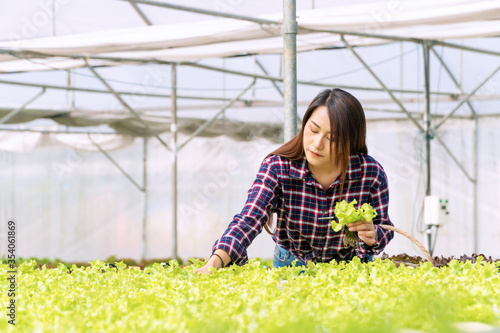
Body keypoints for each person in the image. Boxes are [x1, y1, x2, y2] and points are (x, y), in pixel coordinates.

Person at [193, 88, 394, 274]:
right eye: (314, 130)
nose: (317, 144)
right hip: (290, 265)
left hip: (349, 269)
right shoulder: (279, 167)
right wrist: (215, 261)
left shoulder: (370, 173)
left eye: (331, 139)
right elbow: (250, 218)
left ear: (350, 142)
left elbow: (383, 227)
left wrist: (374, 234)